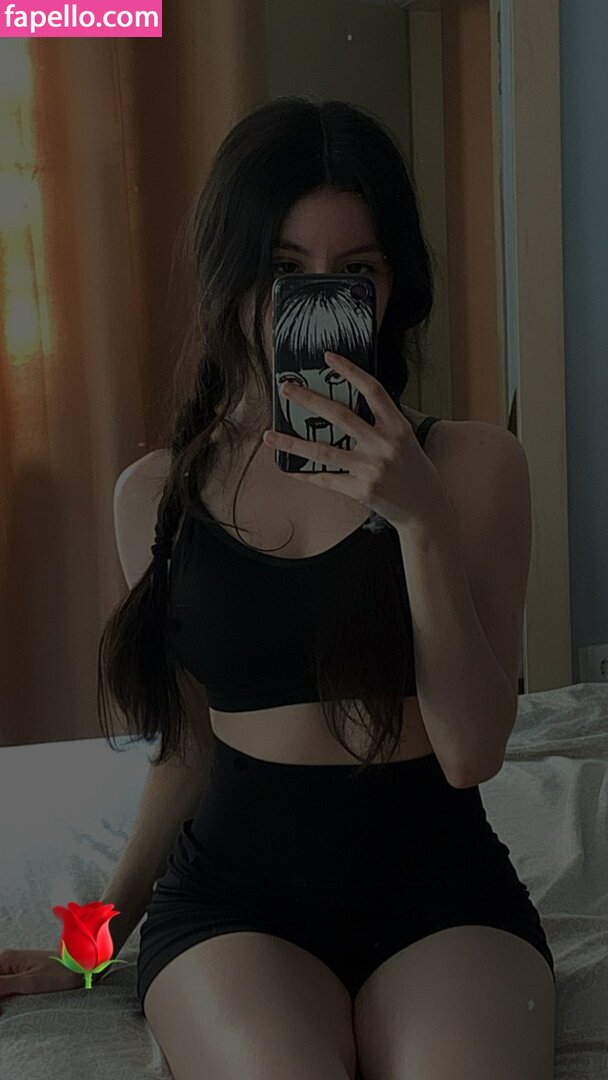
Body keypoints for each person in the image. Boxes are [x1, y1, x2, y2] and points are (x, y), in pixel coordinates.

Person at [0, 97, 556, 1080]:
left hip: (441, 894)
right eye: (284, 269)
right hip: (233, 904)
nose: (317, 301)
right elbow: (183, 754)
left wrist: (419, 521)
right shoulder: (158, 496)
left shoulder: (475, 469)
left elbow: (472, 751)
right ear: (233, 280)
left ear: (393, 288)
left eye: (355, 272)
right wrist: (87, 947)